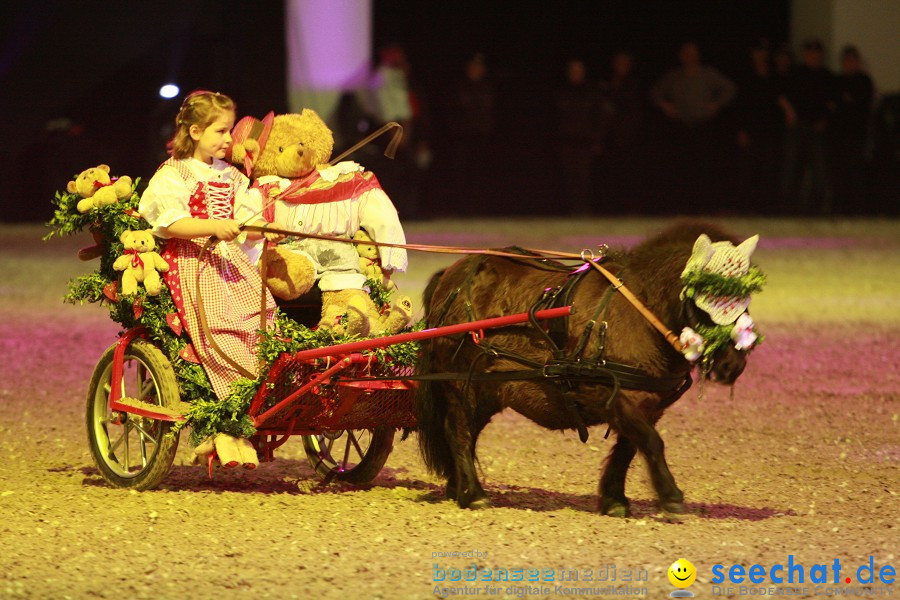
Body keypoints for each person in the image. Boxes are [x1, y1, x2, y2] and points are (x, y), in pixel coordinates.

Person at [138, 91, 283, 432]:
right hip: (193, 260)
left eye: (230, 130)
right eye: (220, 131)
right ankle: (228, 410)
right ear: (195, 132)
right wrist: (215, 227)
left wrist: (264, 229)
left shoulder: (232, 176)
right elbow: (171, 223)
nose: (228, 139)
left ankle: (258, 399)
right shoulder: (176, 173)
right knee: (220, 326)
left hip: (230, 263)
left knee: (259, 321)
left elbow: (245, 225)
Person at [651, 41, 737, 212]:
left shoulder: (707, 74)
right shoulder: (675, 76)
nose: (691, 56)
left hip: (703, 127)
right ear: (681, 56)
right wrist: (666, 106)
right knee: (681, 169)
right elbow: (655, 93)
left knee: (704, 168)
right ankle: (682, 207)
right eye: (687, 53)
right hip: (681, 128)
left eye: (694, 52)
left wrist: (716, 104)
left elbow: (730, 88)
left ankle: (704, 207)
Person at [780, 38, 836, 215]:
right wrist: (789, 111)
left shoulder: (827, 76)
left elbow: (832, 104)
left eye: (816, 53)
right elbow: (781, 94)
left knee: (819, 170)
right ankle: (785, 208)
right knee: (791, 167)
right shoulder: (796, 73)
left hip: (816, 129)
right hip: (797, 127)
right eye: (810, 52)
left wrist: (824, 120)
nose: (813, 56)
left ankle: (821, 210)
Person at [554, 58, 604, 214]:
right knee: (569, 176)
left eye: (579, 71)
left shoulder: (591, 91)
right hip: (567, 141)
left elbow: (598, 117)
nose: (576, 74)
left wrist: (597, 140)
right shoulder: (561, 91)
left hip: (585, 142)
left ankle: (583, 208)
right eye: (573, 71)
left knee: (584, 176)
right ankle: (571, 209)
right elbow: (555, 118)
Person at [830, 45, 874, 212]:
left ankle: (859, 210)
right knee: (839, 175)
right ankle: (839, 210)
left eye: (852, 60)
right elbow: (834, 105)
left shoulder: (864, 81)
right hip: (838, 137)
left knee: (856, 174)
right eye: (846, 60)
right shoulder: (836, 81)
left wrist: (844, 103)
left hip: (857, 136)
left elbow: (861, 106)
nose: (849, 63)